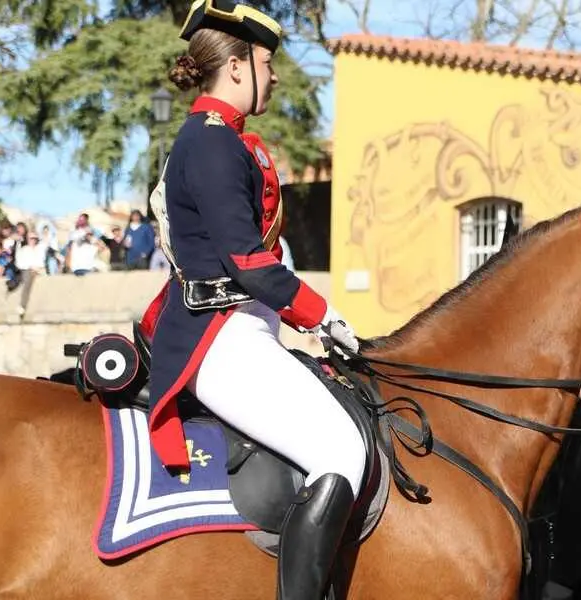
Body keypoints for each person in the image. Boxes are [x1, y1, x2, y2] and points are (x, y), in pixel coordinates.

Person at [138, 3, 366, 599]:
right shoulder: (212, 144)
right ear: (236, 67)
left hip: (248, 331)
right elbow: (247, 261)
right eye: (267, 63)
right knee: (342, 449)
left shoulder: (222, 141)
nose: (276, 75)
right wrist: (326, 316)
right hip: (223, 338)